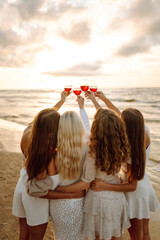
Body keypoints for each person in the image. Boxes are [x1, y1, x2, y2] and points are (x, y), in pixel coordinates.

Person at [86, 91, 160, 240]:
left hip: (134, 189)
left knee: (136, 234)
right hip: (145, 184)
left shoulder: (128, 147)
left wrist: (104, 185)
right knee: (145, 231)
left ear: (125, 124)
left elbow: (132, 184)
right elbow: (114, 115)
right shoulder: (143, 133)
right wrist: (100, 100)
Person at [12, 91, 83, 240]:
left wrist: (61, 101)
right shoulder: (43, 150)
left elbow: (43, 118)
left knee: (23, 233)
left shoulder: (29, 132)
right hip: (34, 197)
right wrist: (71, 195)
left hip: (21, 187)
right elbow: (39, 189)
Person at [55, 107, 131, 240]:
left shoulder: (93, 149)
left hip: (98, 201)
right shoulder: (122, 146)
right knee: (115, 237)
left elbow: (86, 182)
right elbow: (125, 172)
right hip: (117, 200)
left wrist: (60, 189)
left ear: (96, 127)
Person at [27, 96, 90, 240]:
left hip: (58, 205)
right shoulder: (88, 148)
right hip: (79, 202)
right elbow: (87, 126)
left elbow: (51, 184)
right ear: (78, 127)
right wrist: (82, 107)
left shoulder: (53, 153)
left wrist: (61, 101)